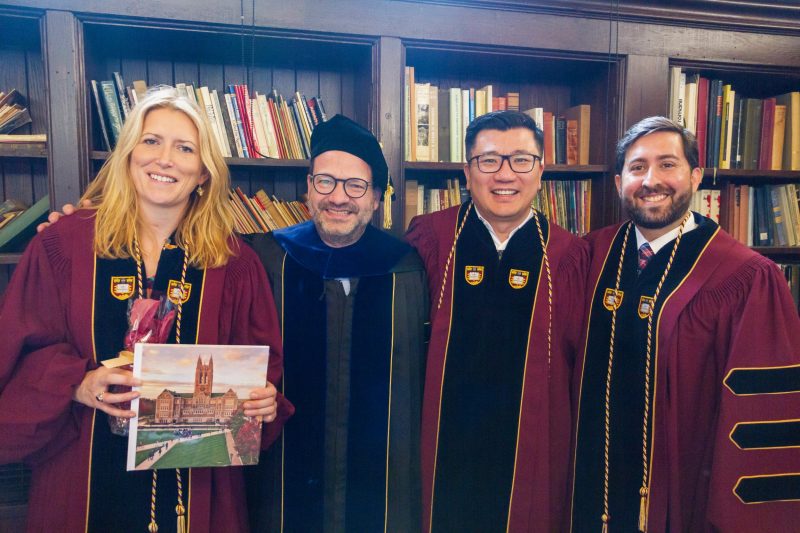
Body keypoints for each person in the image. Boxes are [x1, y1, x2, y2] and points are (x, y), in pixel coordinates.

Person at [0, 88, 288, 532]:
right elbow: (16, 351)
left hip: (197, 486)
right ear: (128, 154)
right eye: (151, 141)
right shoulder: (65, 244)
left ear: (204, 174)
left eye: (185, 148)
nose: (165, 159)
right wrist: (77, 383)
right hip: (82, 474)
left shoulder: (233, 264)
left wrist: (263, 399)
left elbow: (260, 369)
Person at [569, 116, 800, 532]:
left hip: (684, 492)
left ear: (695, 176)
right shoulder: (590, 255)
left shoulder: (745, 277)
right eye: (637, 167)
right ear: (618, 181)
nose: (651, 180)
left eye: (668, 164)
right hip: (587, 488)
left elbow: (764, 414)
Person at [406, 110, 589, 532]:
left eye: (521, 160)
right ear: (467, 172)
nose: (505, 174)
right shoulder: (431, 239)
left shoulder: (567, 255)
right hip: (439, 448)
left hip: (532, 454)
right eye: (489, 160)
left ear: (541, 171)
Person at [245, 114, 427, 532]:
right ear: (308, 187)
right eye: (325, 181)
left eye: (355, 186)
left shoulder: (408, 268)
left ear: (377, 197)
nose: (338, 197)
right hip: (283, 481)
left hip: (384, 480)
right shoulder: (267, 259)